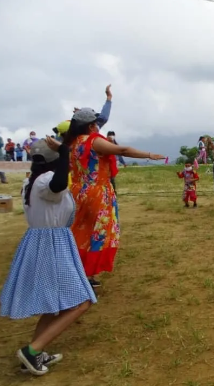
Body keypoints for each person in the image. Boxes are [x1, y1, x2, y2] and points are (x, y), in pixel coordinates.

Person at [0, 138, 97, 376]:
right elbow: (59, 184)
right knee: (80, 302)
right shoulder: (46, 182)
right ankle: (32, 350)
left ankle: (36, 351)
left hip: (44, 242)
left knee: (53, 303)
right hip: (51, 244)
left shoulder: (32, 182)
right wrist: (64, 152)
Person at [64, 108, 165, 288]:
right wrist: (149, 155)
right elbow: (123, 150)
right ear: (90, 126)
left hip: (78, 192)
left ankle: (75, 271)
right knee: (97, 233)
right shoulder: (93, 141)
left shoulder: (71, 143)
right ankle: (87, 276)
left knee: (79, 231)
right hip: (97, 193)